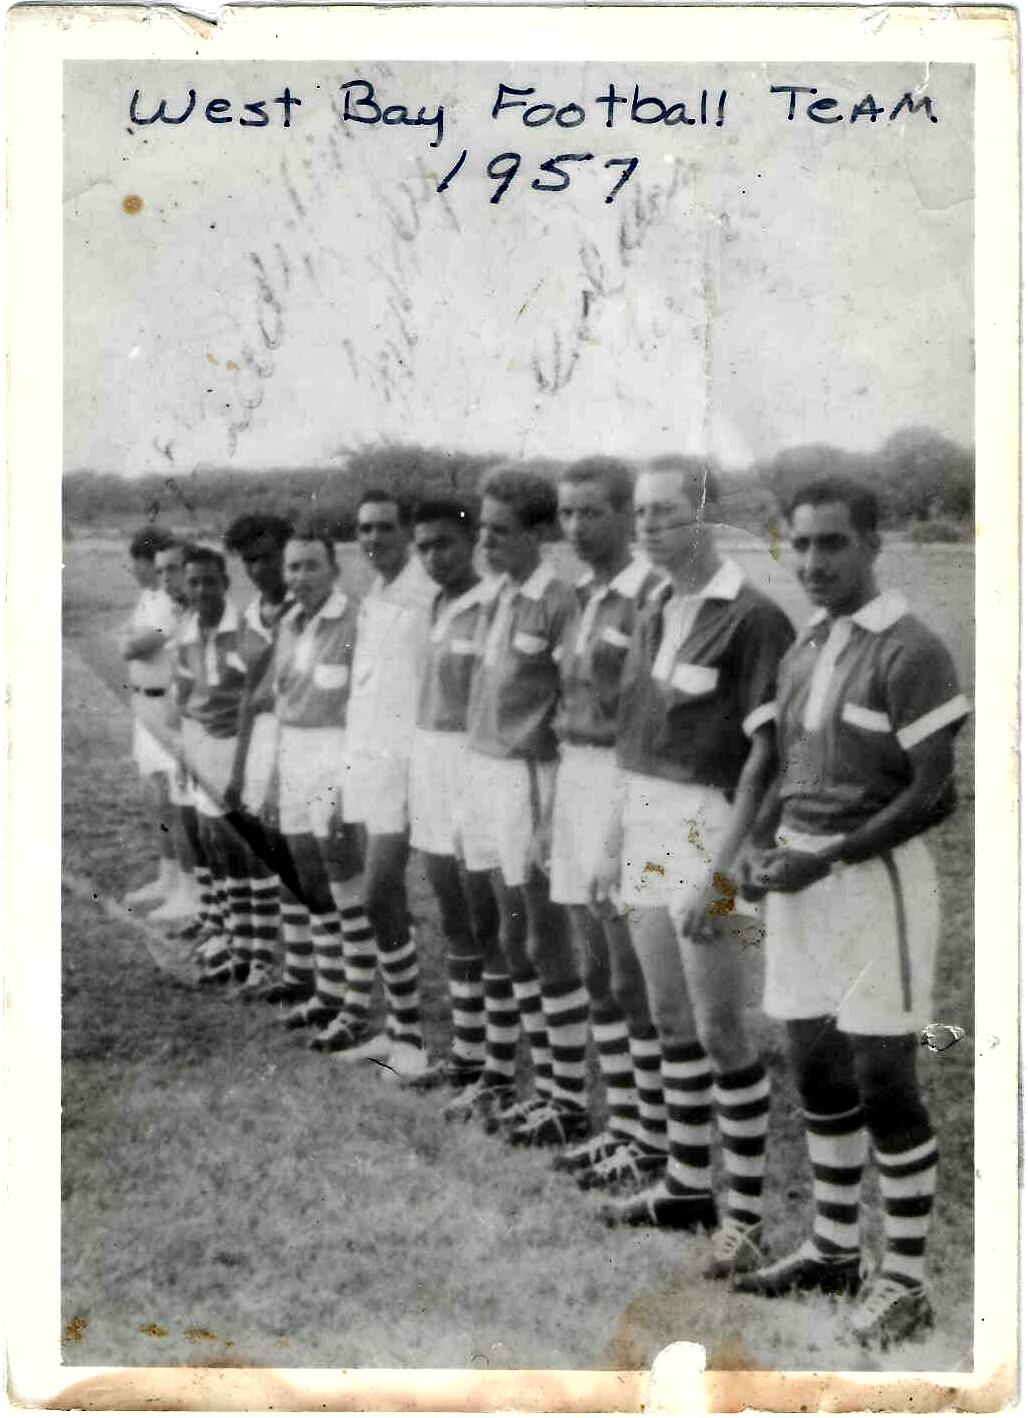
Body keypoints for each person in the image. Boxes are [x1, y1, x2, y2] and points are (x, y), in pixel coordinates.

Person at [732, 477, 970, 1349]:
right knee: (817, 1070)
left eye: (832, 544)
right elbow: (790, 770)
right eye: (799, 545)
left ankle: (904, 1280)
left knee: (883, 1079)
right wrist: (762, 851)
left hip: (877, 885)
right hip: (801, 878)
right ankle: (834, 1250)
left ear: (874, 544)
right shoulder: (805, 649)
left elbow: (937, 794)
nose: (813, 562)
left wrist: (825, 856)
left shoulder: (911, 650)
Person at [592, 456, 794, 1276]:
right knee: (669, 1019)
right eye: (640, 512)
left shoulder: (753, 618)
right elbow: (631, 745)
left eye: (665, 513)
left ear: (707, 519)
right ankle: (684, 1184)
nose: (645, 526)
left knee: (721, 1029)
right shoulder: (653, 609)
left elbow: (767, 761)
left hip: (712, 826)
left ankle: (743, 1217)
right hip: (647, 820)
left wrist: (722, 873)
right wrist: (612, 841)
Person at [448, 464, 589, 1147]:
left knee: (540, 936)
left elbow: (572, 707)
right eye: (484, 530)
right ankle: (505, 1076)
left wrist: (553, 812)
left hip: (528, 778)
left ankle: (566, 1097)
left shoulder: (561, 602)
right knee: (499, 933)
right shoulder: (498, 596)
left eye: (502, 532)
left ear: (540, 532)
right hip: (481, 773)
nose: (487, 544)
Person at [547, 457, 670, 1190]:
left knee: (630, 968)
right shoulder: (581, 596)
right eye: (565, 514)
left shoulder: (649, 596)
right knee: (595, 964)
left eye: (590, 513)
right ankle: (623, 1124)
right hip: (574, 773)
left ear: (627, 516)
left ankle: (654, 1136)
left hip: (626, 779)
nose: (575, 527)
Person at [332, 489, 436, 1078]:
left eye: (385, 529)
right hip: (370, 766)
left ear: (406, 531)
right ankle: (400, 1035)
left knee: (379, 894)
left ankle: (415, 1046)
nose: (373, 539)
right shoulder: (373, 595)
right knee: (381, 899)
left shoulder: (426, 595)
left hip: (413, 768)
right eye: (364, 529)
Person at [407, 497, 500, 1089]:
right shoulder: (433, 604)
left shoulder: (492, 605)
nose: (433, 557)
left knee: (485, 912)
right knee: (450, 907)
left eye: (444, 544)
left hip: (476, 760)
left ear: (471, 545)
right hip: (431, 761)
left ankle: (498, 1057)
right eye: (424, 548)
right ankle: (468, 1051)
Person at [268, 523, 369, 1040]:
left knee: (343, 876)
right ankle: (327, 993)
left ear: (334, 569)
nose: (300, 576)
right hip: (295, 751)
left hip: (336, 752)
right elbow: (283, 699)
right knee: (307, 875)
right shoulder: (288, 622)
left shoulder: (355, 619)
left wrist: (351, 780)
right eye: (293, 566)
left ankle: (357, 1002)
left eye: (311, 565)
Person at [222, 514, 308, 1002]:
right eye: (249, 561)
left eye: (267, 557)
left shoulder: (310, 608)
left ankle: (314, 974)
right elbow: (247, 696)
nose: (259, 569)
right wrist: (236, 768)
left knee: (303, 858)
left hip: (303, 739)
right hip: (261, 742)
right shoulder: (250, 615)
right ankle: (289, 969)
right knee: (269, 853)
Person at [171, 545, 252, 985]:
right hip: (200, 740)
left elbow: (251, 698)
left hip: (232, 742)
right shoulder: (187, 628)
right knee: (206, 837)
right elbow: (185, 693)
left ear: (226, 582)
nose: (201, 589)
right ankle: (222, 927)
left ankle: (242, 940)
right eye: (194, 582)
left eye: (210, 581)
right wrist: (184, 749)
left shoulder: (240, 630)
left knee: (229, 843)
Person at [119, 525, 186, 911]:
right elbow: (130, 641)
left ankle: (186, 887)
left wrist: (128, 640)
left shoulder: (166, 600)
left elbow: (134, 645)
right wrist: (129, 639)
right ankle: (167, 878)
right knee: (155, 797)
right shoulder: (148, 597)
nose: (134, 568)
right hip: (144, 704)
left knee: (172, 798)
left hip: (164, 704)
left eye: (136, 561)